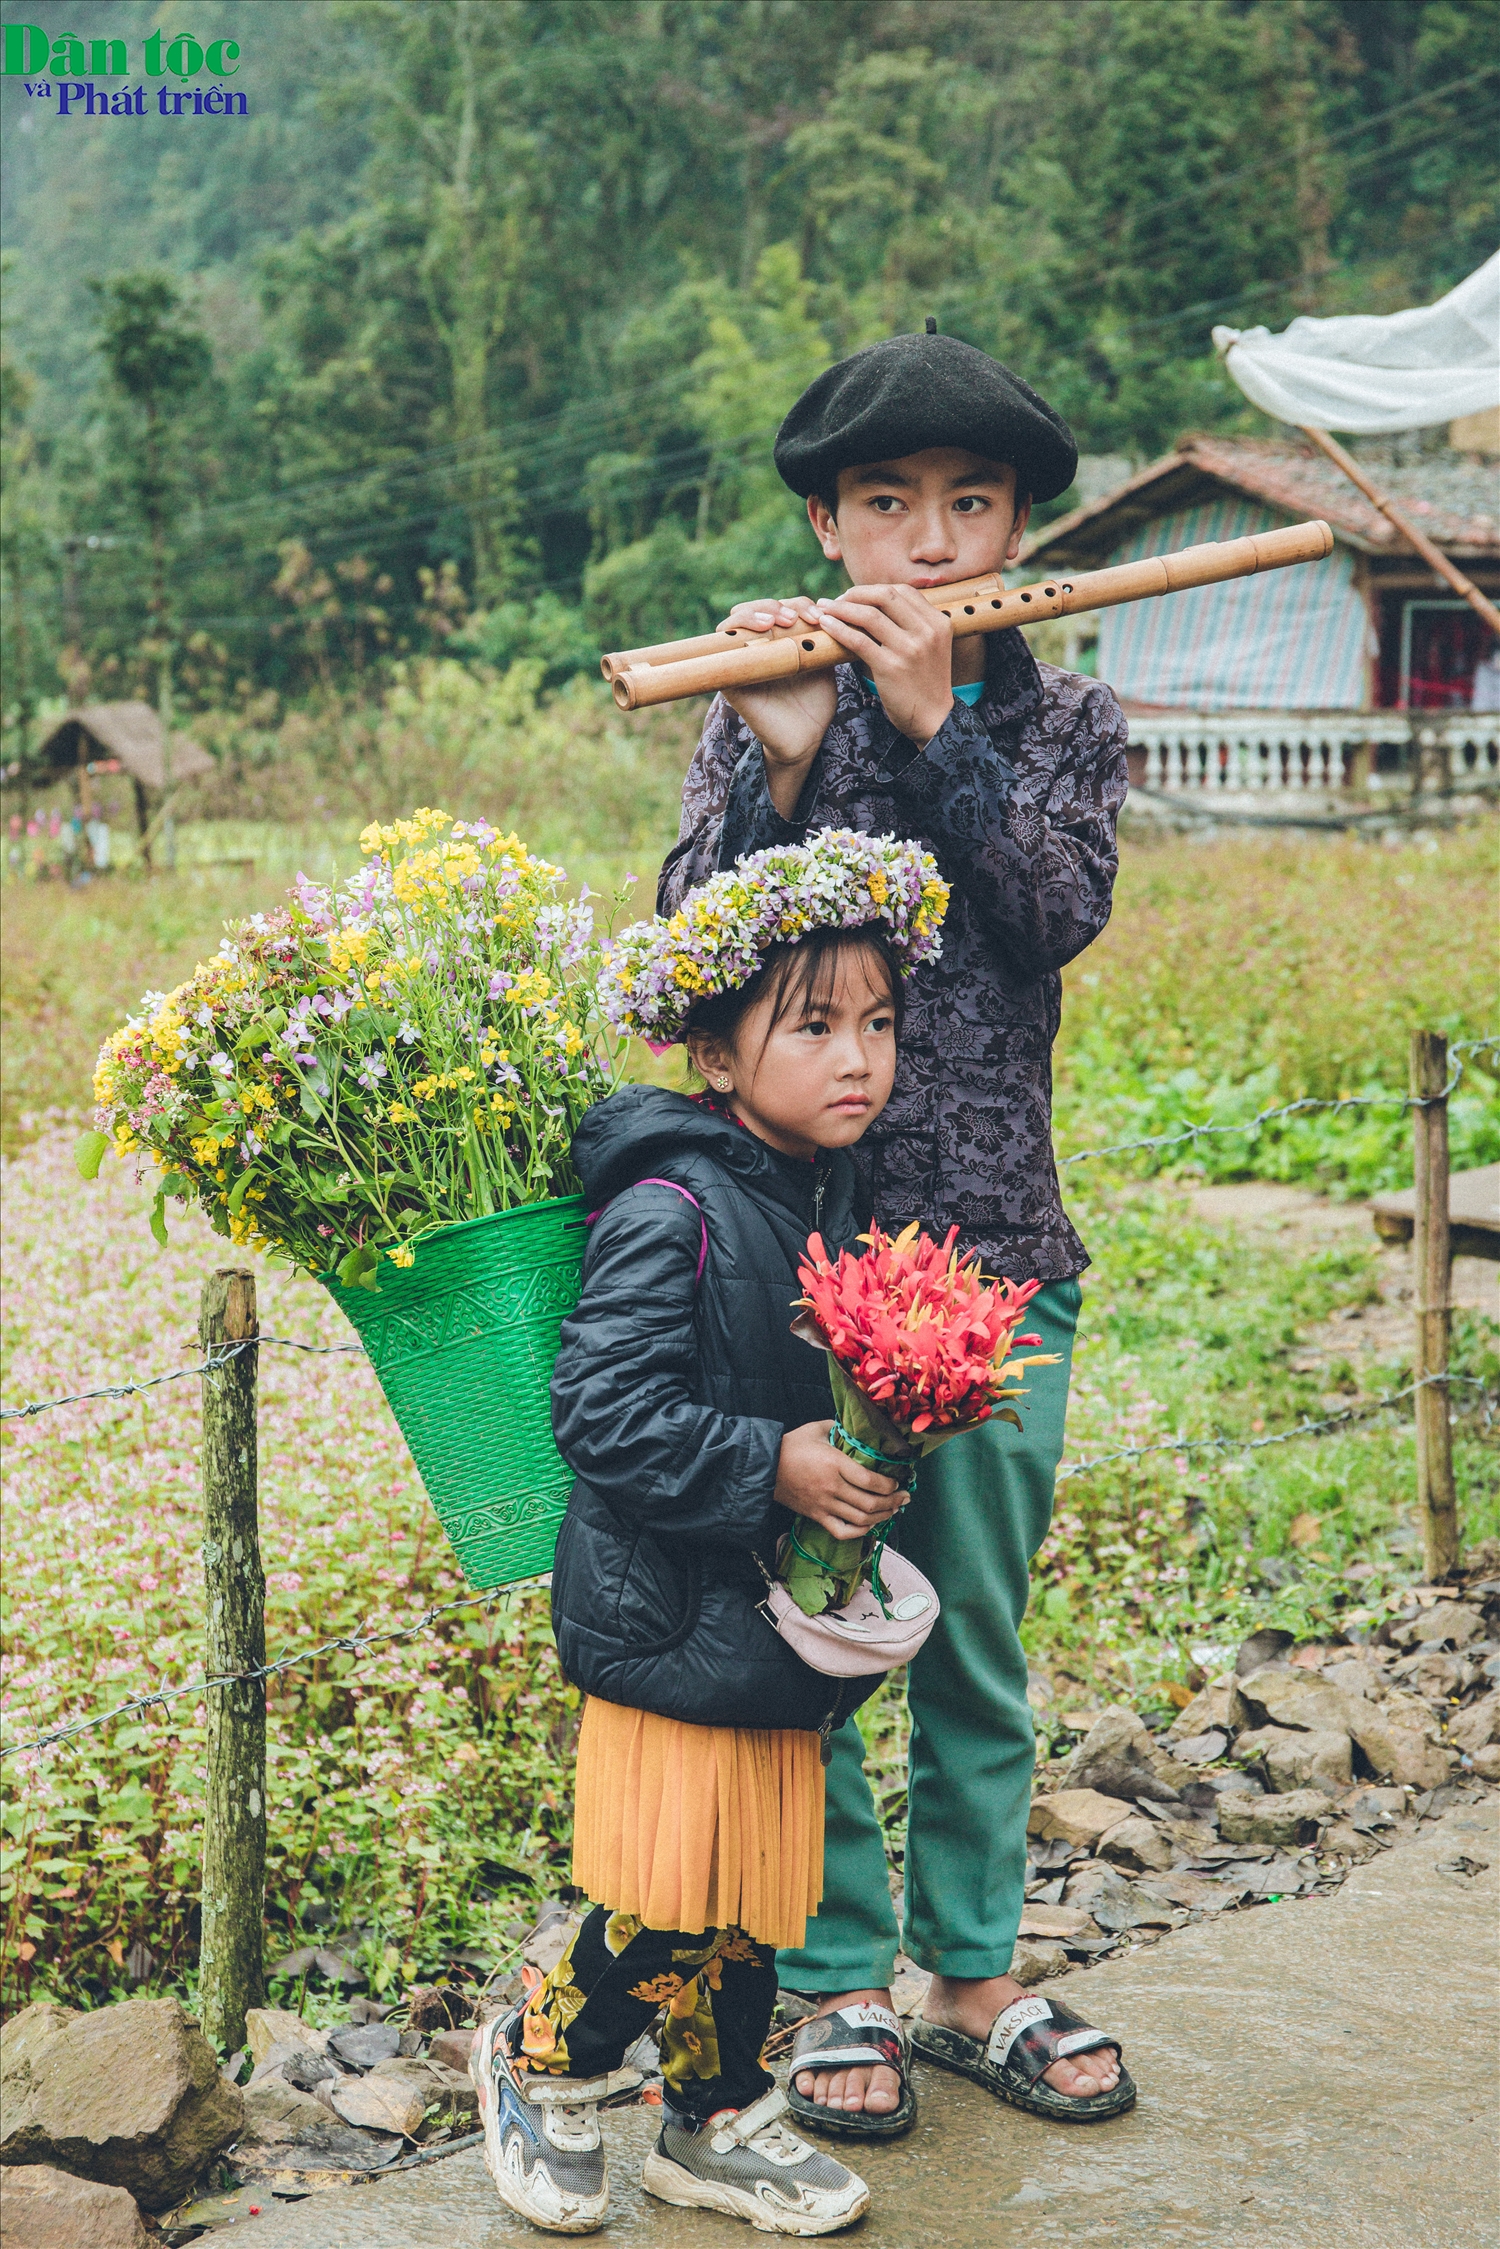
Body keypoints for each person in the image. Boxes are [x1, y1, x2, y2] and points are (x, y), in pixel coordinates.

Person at [657, 324, 1135, 2134]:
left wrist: (937, 729)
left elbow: (1050, 911)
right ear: (828, 524)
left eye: (969, 504)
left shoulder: (1066, 719)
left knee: (976, 1635)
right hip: (802, 1268)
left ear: (1018, 526)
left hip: (997, 1260)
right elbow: (693, 968)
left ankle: (974, 1970)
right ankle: (843, 1979)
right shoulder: (761, 695)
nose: (930, 544)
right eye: (887, 505)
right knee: (821, 1627)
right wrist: (781, 772)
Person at [471, 833, 939, 2236]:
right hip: (669, 1609)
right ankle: (538, 2056)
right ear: (718, 1057)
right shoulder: (669, 1204)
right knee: (673, 1889)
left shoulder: (829, 1193)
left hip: (769, 1621)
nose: (857, 1055)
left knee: (750, 1889)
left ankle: (715, 2109)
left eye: (878, 1023)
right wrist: (777, 1466)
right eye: (813, 1026)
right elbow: (600, 1414)